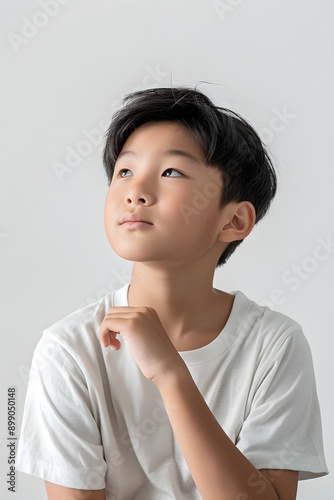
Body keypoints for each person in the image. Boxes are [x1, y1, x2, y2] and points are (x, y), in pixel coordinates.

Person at [17, 87, 328, 500]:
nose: (135, 191)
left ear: (234, 220)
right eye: (124, 172)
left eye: (171, 173)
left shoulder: (274, 345)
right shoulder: (69, 349)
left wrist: (171, 374)